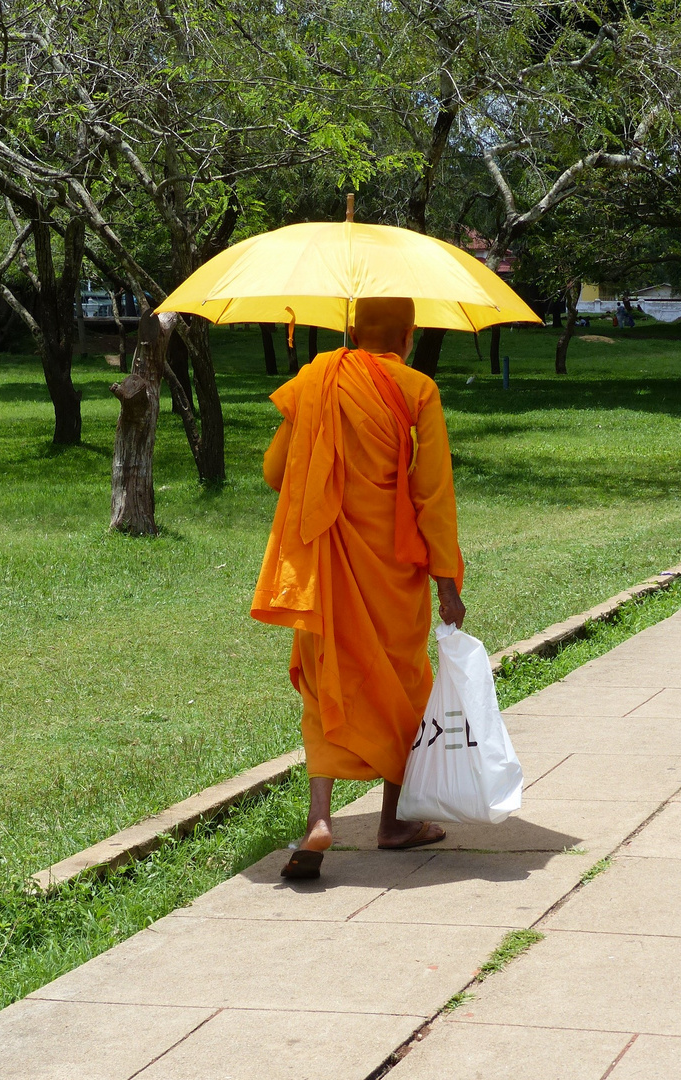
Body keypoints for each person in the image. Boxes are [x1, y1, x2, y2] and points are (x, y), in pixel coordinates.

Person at [251, 297, 465, 879]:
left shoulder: (317, 378)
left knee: (326, 686)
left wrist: (323, 483)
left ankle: (320, 818)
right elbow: (433, 494)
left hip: (326, 568)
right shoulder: (418, 389)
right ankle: (393, 823)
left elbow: (274, 471)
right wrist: (448, 583)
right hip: (394, 574)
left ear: (350, 328)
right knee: (402, 685)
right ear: (410, 332)